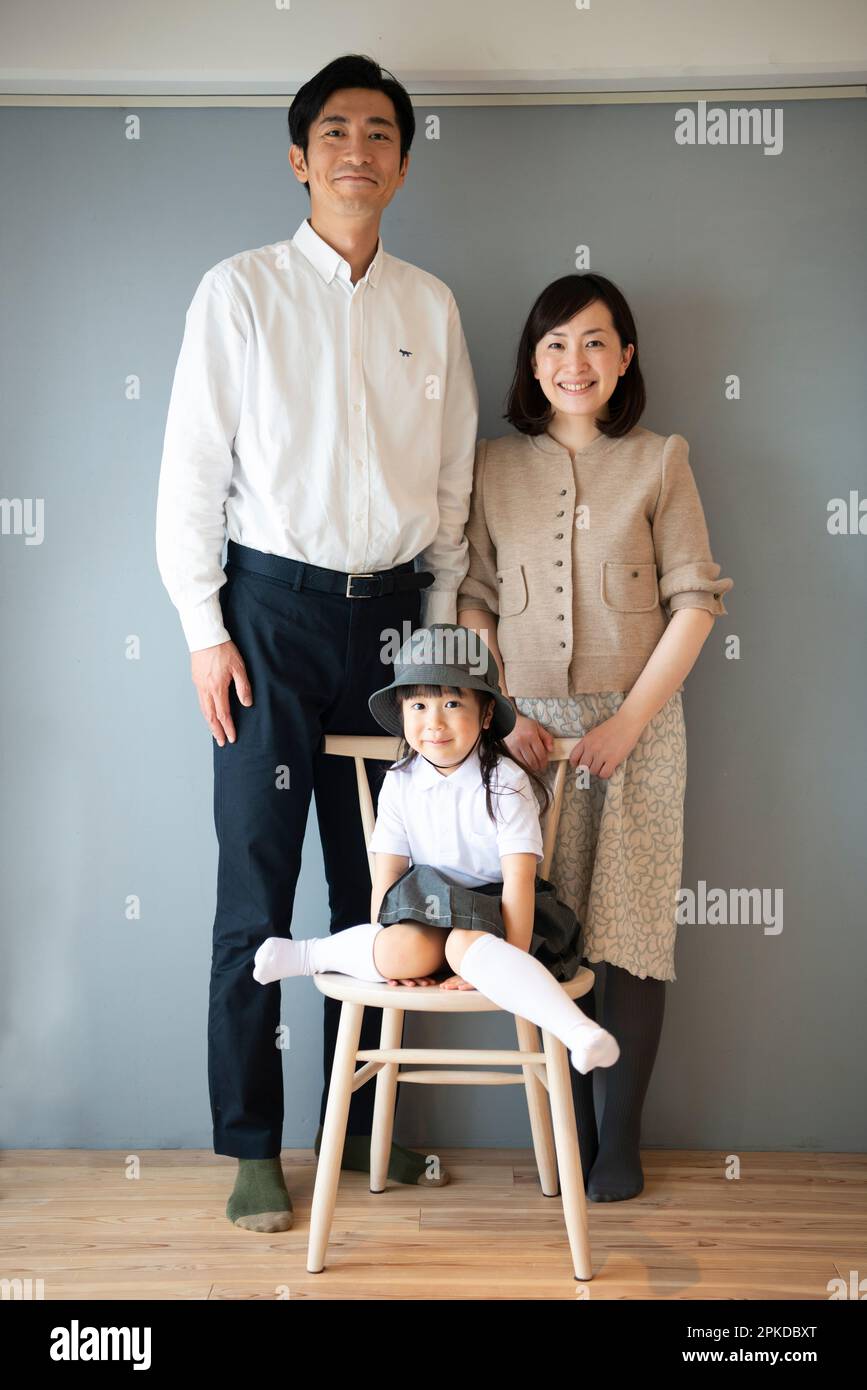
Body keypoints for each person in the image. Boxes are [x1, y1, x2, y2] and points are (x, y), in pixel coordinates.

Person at [155, 54, 479, 1233]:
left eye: (380, 132)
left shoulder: (431, 307)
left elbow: (451, 488)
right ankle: (253, 1145)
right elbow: (192, 474)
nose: (358, 148)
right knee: (257, 887)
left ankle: (365, 1132)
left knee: (383, 886)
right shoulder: (237, 293)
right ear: (301, 158)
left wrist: (435, 642)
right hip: (267, 615)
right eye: (334, 130)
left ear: (401, 160)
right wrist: (204, 630)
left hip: (396, 627)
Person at [456, 272, 734, 1201]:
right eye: (553, 345)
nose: (573, 363)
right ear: (531, 364)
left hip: (639, 730)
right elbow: (475, 600)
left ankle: (621, 1138)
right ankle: (565, 1130)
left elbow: (694, 601)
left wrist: (628, 720)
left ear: (624, 358)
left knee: (631, 936)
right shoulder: (492, 465)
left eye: (593, 342)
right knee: (543, 931)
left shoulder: (661, 460)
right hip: (530, 738)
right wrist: (502, 713)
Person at [253, 624, 621, 1082]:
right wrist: (384, 946)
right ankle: (308, 955)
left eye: (452, 704)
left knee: (472, 944)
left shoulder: (505, 781)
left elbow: (520, 882)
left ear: (487, 714)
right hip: (428, 908)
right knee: (399, 948)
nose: (435, 723)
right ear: (403, 712)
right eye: (420, 705)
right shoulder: (401, 780)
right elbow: (386, 876)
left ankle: (577, 1030)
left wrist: (508, 957)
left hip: (500, 913)